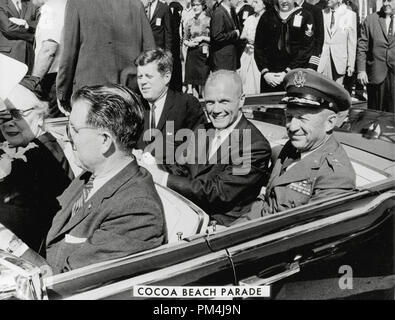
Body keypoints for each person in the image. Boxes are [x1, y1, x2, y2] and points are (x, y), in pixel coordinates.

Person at [0, 84, 167, 275]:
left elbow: (67, 282)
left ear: (104, 140)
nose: (67, 138)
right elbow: (51, 221)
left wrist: (9, 242)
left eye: (74, 129)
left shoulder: (137, 211)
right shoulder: (93, 175)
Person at [138, 70, 272, 227]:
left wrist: (161, 177)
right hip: (188, 211)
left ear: (241, 100)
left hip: (223, 226)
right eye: (210, 102)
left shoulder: (254, 145)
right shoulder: (203, 130)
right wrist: (147, 165)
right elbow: (181, 168)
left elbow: (218, 192)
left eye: (224, 101)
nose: (215, 110)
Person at [243, 69, 356, 220]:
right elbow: (265, 204)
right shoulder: (294, 147)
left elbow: (307, 235)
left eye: (302, 118)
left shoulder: (336, 178)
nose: (291, 126)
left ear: (330, 123)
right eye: (289, 116)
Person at [0, 84, 72, 253]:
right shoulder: (42, 145)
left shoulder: (40, 154)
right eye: (3, 116)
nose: (8, 123)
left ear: (40, 115)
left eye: (17, 114)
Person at [56, 0, 156, 112]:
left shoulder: (77, 3)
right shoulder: (135, 3)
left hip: (91, 96)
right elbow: (150, 52)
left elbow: (69, 53)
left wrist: (62, 92)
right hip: (128, 93)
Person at [135, 48, 206, 164]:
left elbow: (200, 149)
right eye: (140, 77)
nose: (143, 82)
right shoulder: (136, 107)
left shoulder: (187, 105)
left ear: (166, 77)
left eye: (148, 76)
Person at [254, 0, 315, 92]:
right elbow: (258, 46)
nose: (284, 1)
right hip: (270, 77)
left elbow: (306, 48)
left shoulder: (305, 16)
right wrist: (265, 72)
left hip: (295, 74)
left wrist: (287, 72)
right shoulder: (267, 16)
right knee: (269, 104)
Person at [21, 0, 66, 118]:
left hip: (51, 79)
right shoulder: (63, 6)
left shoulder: (50, 10)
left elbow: (48, 49)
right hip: (61, 76)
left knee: (48, 125)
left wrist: (33, 81)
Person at [357, 0, 394, 112]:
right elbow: (362, 47)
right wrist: (361, 70)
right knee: (375, 113)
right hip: (376, 73)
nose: (385, 3)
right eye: (384, 0)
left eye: (390, 0)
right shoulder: (371, 19)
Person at [317, 0, 357, 85]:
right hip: (323, 60)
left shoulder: (350, 15)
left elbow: (352, 42)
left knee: (336, 93)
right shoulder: (322, 13)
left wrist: (350, 64)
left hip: (339, 61)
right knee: (323, 91)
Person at [0, 0, 39, 74]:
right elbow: (9, 29)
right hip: (8, 56)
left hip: (28, 56)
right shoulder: (1, 3)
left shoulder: (31, 4)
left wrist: (25, 22)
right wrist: (32, 34)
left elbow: (41, 25)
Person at [238, 0, 266, 94]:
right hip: (248, 53)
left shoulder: (269, 18)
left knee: (258, 81)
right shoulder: (250, 18)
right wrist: (247, 38)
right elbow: (242, 35)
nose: (253, 5)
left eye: (256, 2)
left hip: (262, 55)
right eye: (253, 2)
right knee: (245, 81)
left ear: (264, 4)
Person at [184, 0, 211, 97]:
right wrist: (189, 43)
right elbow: (185, 39)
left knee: (204, 82)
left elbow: (215, 38)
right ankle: (196, 106)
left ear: (203, 6)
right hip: (192, 53)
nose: (195, 7)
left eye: (197, 5)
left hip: (203, 54)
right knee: (193, 82)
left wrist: (203, 38)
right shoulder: (189, 22)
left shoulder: (209, 21)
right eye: (193, 5)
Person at [210, 0, 241, 71]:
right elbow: (217, 36)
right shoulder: (219, 13)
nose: (239, 1)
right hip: (222, 60)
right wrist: (234, 34)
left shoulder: (231, 12)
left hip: (230, 58)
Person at [295, 0, 325, 71]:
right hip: (286, 63)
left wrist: (312, 65)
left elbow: (319, 40)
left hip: (306, 62)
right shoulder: (285, 10)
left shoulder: (314, 10)